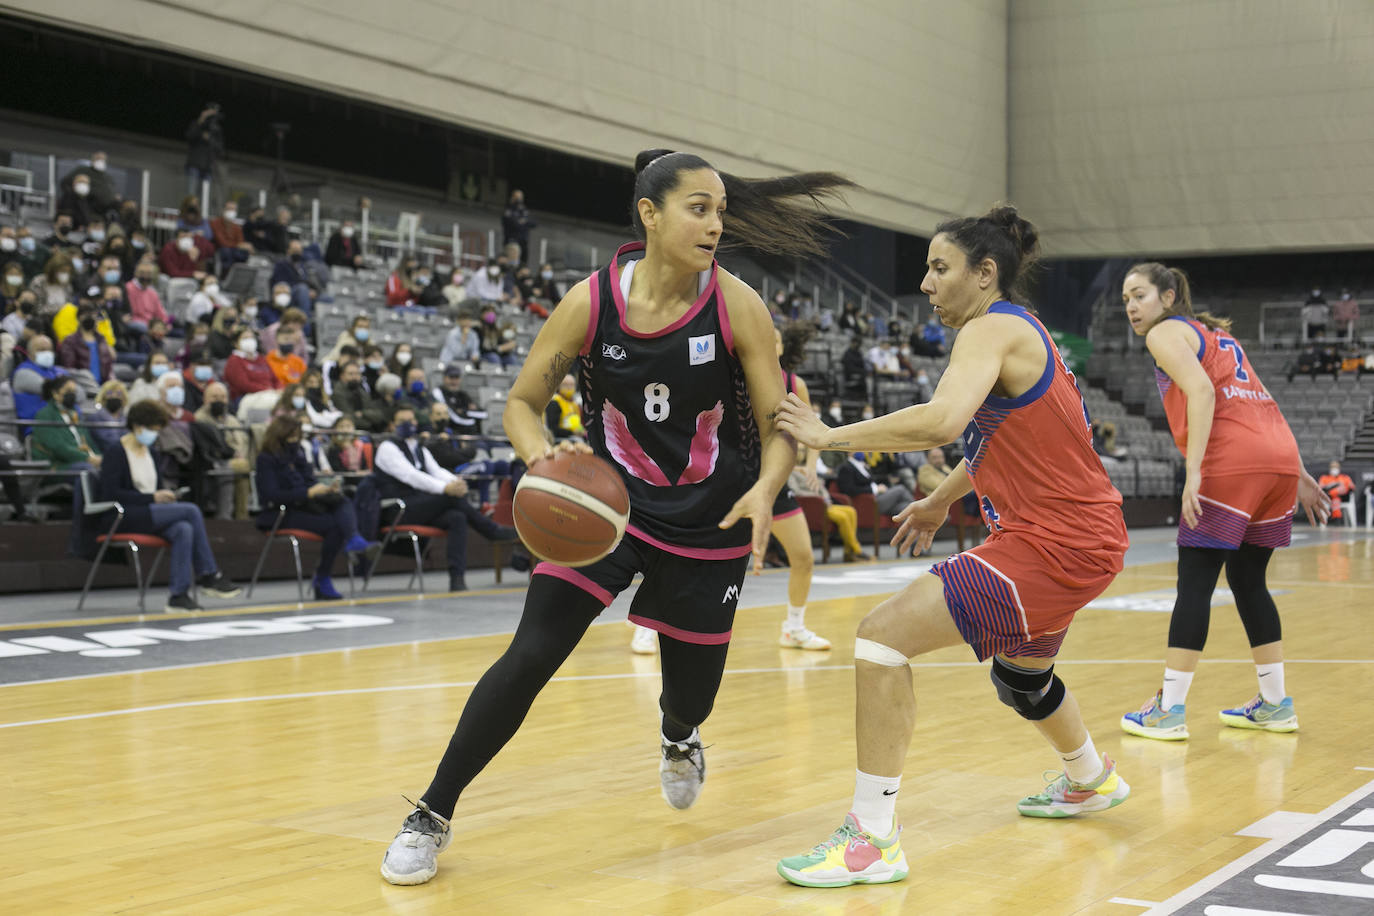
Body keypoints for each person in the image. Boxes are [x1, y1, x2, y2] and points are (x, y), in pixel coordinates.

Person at [379, 148, 853, 885]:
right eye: (699, 208)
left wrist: (767, 489)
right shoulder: (590, 301)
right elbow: (520, 404)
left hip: (712, 518)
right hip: (610, 511)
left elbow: (781, 419)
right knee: (531, 653)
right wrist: (540, 457)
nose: (716, 224)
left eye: (721, 211)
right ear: (650, 214)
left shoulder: (737, 304)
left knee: (689, 695)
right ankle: (431, 812)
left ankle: (678, 735)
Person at [774, 205, 1134, 889]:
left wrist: (827, 435)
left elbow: (940, 422)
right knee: (1022, 681)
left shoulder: (989, 328)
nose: (926, 283)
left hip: (1054, 543)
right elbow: (1003, 439)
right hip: (1083, 537)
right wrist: (941, 500)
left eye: (940, 267)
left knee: (880, 641)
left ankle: (872, 839)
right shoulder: (1025, 334)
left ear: (985, 272)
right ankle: (1089, 778)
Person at [1117, 262, 1331, 744]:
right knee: (1248, 579)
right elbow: (1260, 398)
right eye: (1125, 298)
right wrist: (1296, 474)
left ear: (1168, 298)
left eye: (1140, 295)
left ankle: (1168, 710)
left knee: (1195, 582)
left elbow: (1202, 391)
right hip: (1278, 456)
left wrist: (1194, 472)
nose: (1131, 306)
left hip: (1231, 461)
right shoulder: (1216, 336)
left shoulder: (1165, 333)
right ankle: (1275, 704)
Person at [96, 400, 240, 611]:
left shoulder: (151, 453)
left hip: (148, 513)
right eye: (153, 429)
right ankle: (209, 575)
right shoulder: (116, 452)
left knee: (184, 529)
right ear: (137, 426)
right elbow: (111, 494)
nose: (154, 434)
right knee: (191, 511)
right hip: (122, 515)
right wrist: (152, 498)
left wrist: (165, 496)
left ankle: (178, 596)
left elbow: (157, 488)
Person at [370, 404, 518, 594]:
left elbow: (436, 471)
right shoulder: (387, 448)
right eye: (402, 422)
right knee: (450, 499)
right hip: (397, 508)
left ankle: (457, 579)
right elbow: (411, 476)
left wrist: (456, 482)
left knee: (457, 517)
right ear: (392, 425)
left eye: (411, 420)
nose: (408, 424)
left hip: (421, 506)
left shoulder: (418, 448)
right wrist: (446, 488)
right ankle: (491, 530)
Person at [255, 414, 377, 600]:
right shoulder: (266, 459)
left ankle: (353, 540)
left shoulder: (298, 455)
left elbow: (310, 481)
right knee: (335, 526)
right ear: (279, 436)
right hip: (279, 513)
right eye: (291, 437)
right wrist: (308, 493)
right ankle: (323, 577)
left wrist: (326, 489)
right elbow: (270, 495)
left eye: (297, 436)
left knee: (342, 500)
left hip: (305, 506)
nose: (295, 441)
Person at [770, 323, 832, 650]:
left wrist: (810, 466)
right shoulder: (731, 377)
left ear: (781, 347)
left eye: (775, 338)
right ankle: (647, 625)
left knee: (803, 556)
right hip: (730, 482)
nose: (770, 342)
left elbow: (813, 430)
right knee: (688, 557)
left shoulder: (794, 385)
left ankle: (793, 627)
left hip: (775, 482)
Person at [194, 381, 252, 520]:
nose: (219, 401)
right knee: (242, 467)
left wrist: (239, 455)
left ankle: (241, 517)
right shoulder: (199, 418)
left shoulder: (232, 420)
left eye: (222, 397)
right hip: (212, 460)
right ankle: (234, 516)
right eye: (214, 397)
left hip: (237, 461)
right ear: (205, 399)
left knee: (243, 469)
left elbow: (243, 442)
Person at [30, 376, 102, 473]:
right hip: (57, 465)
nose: (72, 394)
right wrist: (87, 458)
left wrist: (99, 457)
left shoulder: (74, 413)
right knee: (87, 469)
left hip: (82, 460)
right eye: (68, 391)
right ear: (55, 393)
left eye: (74, 391)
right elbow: (58, 448)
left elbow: (88, 441)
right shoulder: (44, 415)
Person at [12, 335, 67, 425]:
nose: (46, 353)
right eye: (41, 350)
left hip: (63, 425)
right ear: (29, 354)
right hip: (37, 427)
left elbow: (80, 394)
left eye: (49, 349)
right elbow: (50, 389)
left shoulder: (59, 370)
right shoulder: (23, 373)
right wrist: (68, 389)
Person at [57, 302, 115, 386]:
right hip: (83, 386)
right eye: (86, 315)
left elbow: (108, 368)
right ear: (78, 318)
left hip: (103, 385)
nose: (90, 318)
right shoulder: (70, 341)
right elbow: (70, 369)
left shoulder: (101, 339)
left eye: (92, 315)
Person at [225, 326, 281, 401]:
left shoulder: (261, 358)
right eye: (245, 338)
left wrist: (278, 389)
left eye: (252, 338)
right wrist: (267, 390)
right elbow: (243, 385)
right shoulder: (234, 360)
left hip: (270, 394)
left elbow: (275, 379)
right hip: (246, 397)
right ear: (236, 343)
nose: (249, 341)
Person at [185, 103, 223, 198]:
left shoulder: (216, 130)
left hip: (208, 167)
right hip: (195, 165)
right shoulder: (197, 124)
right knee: (191, 196)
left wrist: (209, 139)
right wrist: (202, 119)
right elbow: (190, 136)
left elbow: (220, 149)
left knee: (205, 197)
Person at [210, 200, 254, 270]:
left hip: (233, 250)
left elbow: (240, 241)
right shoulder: (215, 223)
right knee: (226, 252)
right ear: (223, 210)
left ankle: (240, 273)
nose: (231, 212)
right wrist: (238, 245)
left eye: (233, 209)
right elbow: (221, 242)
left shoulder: (236, 227)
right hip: (220, 249)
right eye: (229, 209)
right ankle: (225, 276)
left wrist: (245, 246)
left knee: (244, 252)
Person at [86, 381, 129, 453]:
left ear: (124, 398)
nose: (114, 396)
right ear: (103, 396)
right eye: (109, 393)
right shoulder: (95, 418)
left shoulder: (126, 419)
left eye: (119, 393)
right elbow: (107, 442)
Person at [542, 373, 584, 440]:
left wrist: (582, 432)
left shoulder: (575, 404)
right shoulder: (554, 402)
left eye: (571, 385)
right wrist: (572, 432)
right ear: (559, 386)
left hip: (575, 438)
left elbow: (578, 425)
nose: (569, 388)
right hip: (560, 439)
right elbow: (552, 429)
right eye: (565, 385)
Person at [501, 189, 536, 263]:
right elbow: (514, 225)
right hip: (512, 241)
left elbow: (534, 223)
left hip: (523, 242)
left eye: (520, 197)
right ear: (512, 197)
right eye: (517, 197)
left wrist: (524, 221)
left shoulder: (524, 210)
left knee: (523, 264)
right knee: (513, 264)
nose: (519, 200)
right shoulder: (508, 210)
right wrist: (524, 222)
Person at [1318, 459, 1355, 524]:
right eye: (1333, 467)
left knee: (1338, 492)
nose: (1334, 469)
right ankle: (1334, 517)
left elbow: (1352, 487)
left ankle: (1336, 516)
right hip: (1328, 498)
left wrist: (1340, 487)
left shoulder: (1345, 478)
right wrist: (1331, 486)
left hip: (1342, 498)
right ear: (1330, 468)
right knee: (1331, 493)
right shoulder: (1324, 478)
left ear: (1339, 468)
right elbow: (1320, 488)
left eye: (1336, 467)